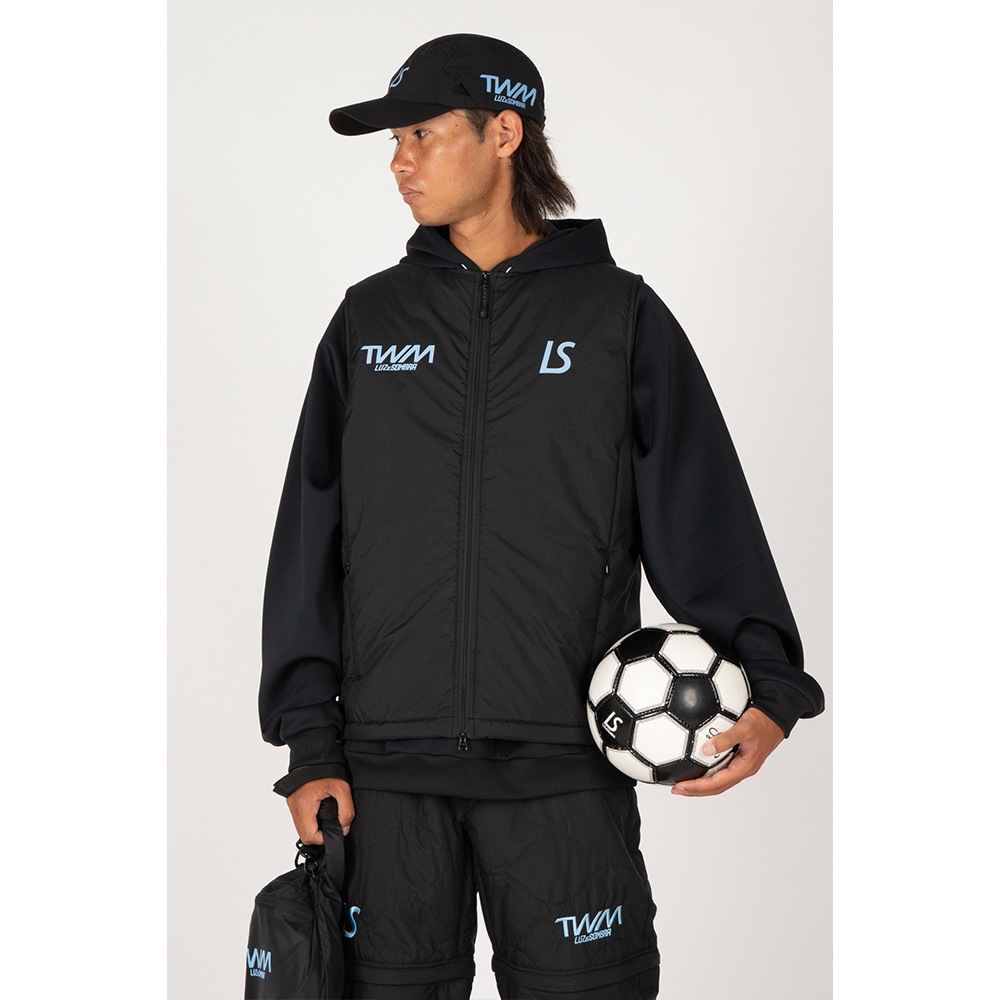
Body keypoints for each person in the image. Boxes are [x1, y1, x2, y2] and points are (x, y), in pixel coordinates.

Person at [259, 32, 825, 1000]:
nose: (399, 161)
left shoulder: (619, 318)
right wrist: (310, 743)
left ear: (504, 133)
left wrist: (771, 684)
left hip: (564, 770)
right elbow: (309, 542)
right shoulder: (368, 322)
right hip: (385, 775)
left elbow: (702, 511)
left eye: (423, 134)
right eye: (394, 141)